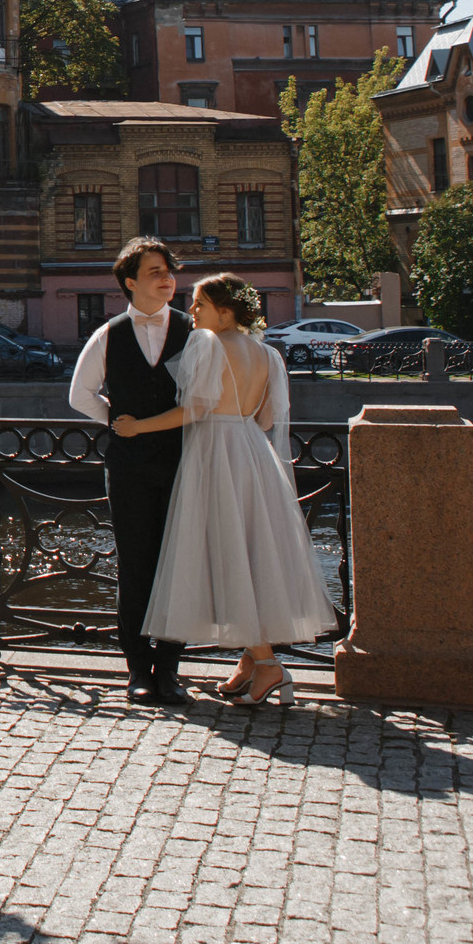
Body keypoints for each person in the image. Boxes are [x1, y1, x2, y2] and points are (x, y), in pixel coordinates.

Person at [112, 272, 338, 706]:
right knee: (254, 553)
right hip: (253, 454)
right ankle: (250, 665)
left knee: (226, 554)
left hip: (215, 453)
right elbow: (269, 420)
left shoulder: (208, 344)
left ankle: (268, 664)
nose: (191, 311)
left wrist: (138, 426)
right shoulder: (269, 353)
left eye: (199, 304)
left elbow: (193, 409)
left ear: (225, 310)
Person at [67, 236, 193, 706]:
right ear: (130, 282)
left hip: (184, 462)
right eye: (156, 271)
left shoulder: (190, 329)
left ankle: (171, 673)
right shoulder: (110, 334)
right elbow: (80, 395)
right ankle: (138, 671)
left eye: (168, 270)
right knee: (136, 566)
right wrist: (118, 425)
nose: (167, 278)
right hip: (130, 467)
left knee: (177, 566)